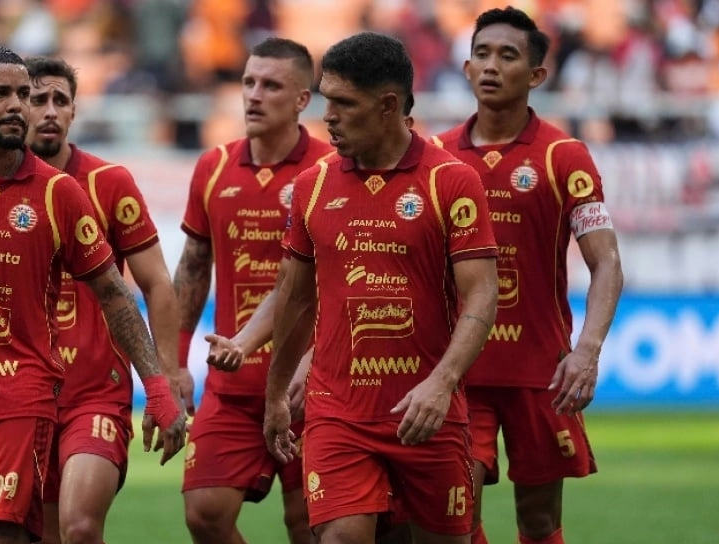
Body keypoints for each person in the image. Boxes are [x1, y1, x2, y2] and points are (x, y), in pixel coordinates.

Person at [0, 46, 186, 544]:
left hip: (22, 396)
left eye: (23, 93)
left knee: (8, 534)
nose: (18, 105)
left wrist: (157, 386)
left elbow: (114, 293)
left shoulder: (57, 192)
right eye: (1, 93)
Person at [263, 32, 500, 544]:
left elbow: (483, 294)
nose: (328, 115)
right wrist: (276, 392)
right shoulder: (314, 185)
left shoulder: (452, 182)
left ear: (389, 105)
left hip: (426, 412)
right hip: (337, 413)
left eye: (344, 103)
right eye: (326, 100)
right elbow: (296, 297)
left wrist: (442, 383)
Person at [431, 7, 624, 544]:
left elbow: (605, 260)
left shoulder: (565, 157)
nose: (491, 66)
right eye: (482, 54)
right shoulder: (437, 158)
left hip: (541, 372)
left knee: (538, 522)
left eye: (507, 55)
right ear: (467, 68)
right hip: (458, 372)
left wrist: (586, 350)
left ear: (537, 75)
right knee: (456, 519)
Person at [22, 55, 190, 544]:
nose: (50, 111)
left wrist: (166, 376)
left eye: (61, 100)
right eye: (38, 99)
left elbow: (158, 283)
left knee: (79, 527)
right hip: (20, 393)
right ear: (18, 107)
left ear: (75, 112)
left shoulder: (108, 183)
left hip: (95, 393)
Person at [173, 37, 332, 544]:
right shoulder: (213, 167)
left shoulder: (328, 170)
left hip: (310, 382)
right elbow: (193, 267)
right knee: (204, 515)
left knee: (307, 525)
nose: (253, 95)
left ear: (303, 99)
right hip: (232, 382)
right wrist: (176, 363)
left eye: (270, 85)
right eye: (247, 82)